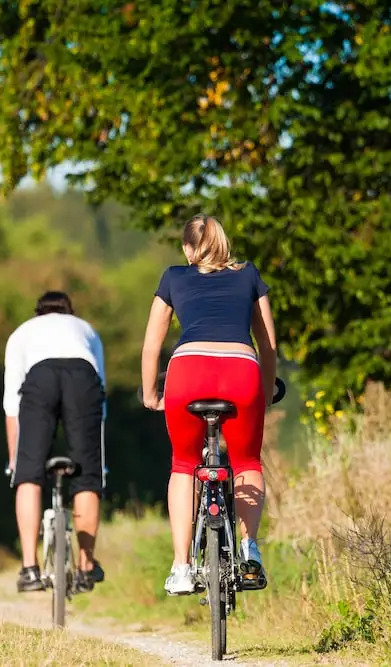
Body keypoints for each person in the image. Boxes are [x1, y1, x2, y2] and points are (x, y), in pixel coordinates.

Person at [140, 214, 278, 595]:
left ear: (187, 248)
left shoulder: (173, 277)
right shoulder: (249, 275)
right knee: (247, 460)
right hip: (241, 372)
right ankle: (249, 552)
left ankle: (182, 567)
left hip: (187, 371)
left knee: (184, 465)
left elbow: (152, 344)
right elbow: (268, 344)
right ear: (223, 242)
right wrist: (264, 392)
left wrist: (151, 394)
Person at [4, 291, 107, 593]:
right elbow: (101, 397)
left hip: (40, 376)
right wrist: (98, 460)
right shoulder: (86, 330)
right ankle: (86, 567)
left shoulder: (22, 332)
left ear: (38, 312)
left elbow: (12, 406)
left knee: (29, 474)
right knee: (87, 476)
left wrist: (16, 462)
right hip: (82, 375)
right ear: (69, 311)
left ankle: (29, 568)